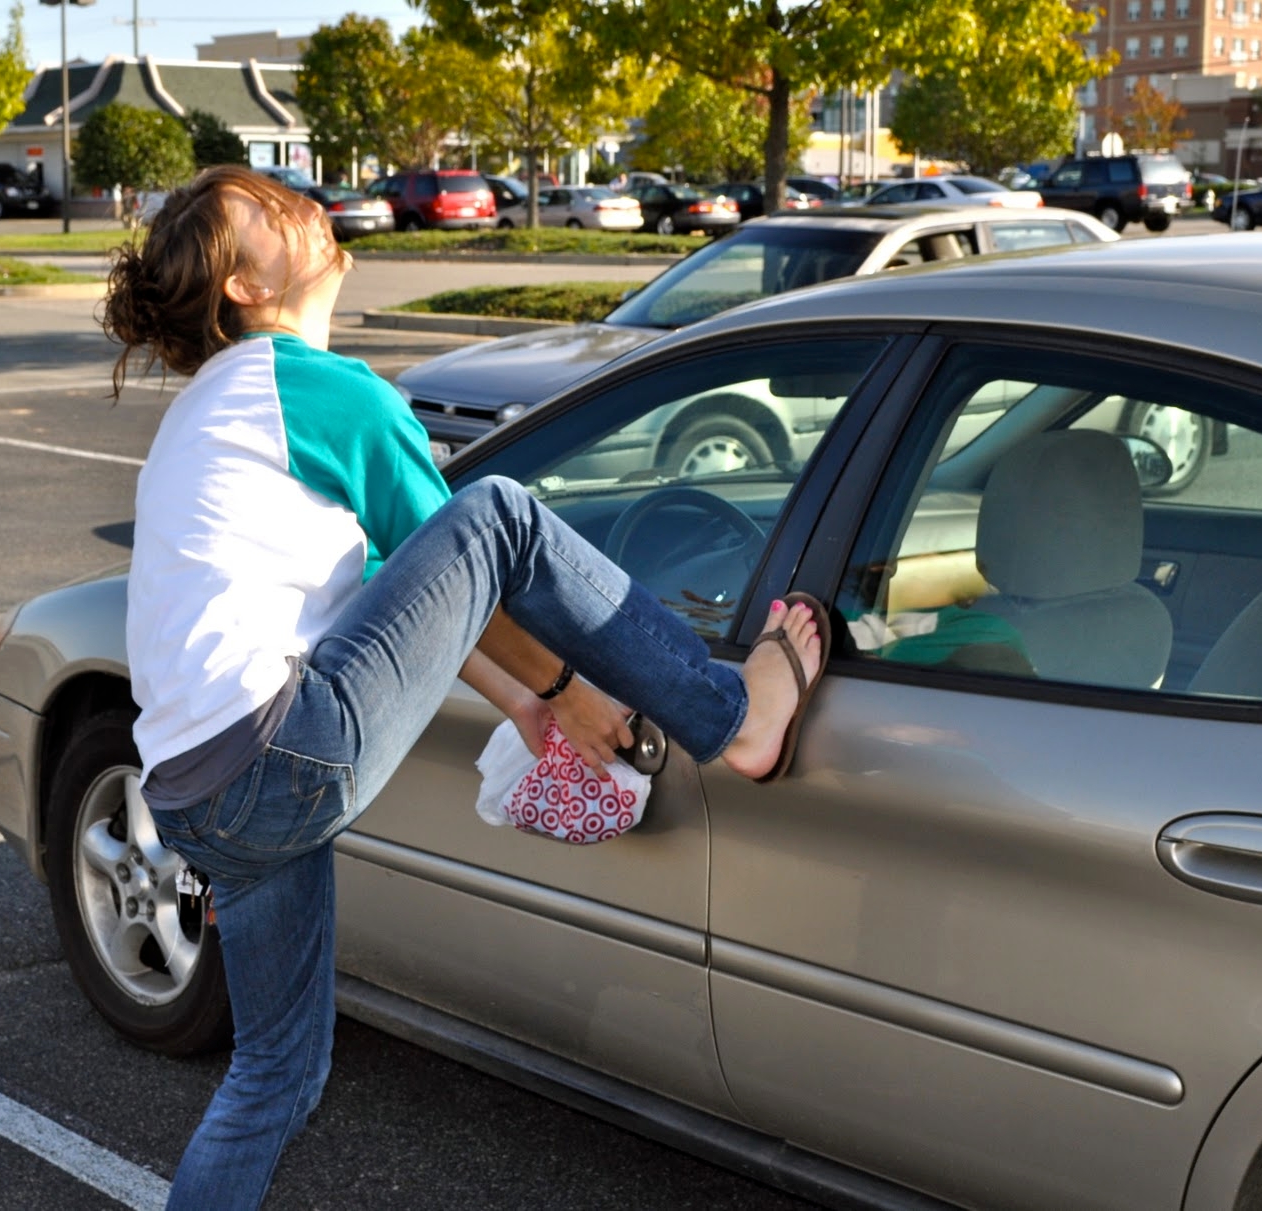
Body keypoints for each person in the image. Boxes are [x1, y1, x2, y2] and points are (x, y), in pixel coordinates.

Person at [99, 164, 825, 1210]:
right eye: (264, 211)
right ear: (242, 287)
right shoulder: (305, 384)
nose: (298, 201)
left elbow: (411, 587)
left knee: (277, 1073)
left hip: (195, 794)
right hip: (275, 755)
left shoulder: (217, 410)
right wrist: (572, 690)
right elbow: (483, 560)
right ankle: (736, 717)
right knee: (501, 511)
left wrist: (528, 701)